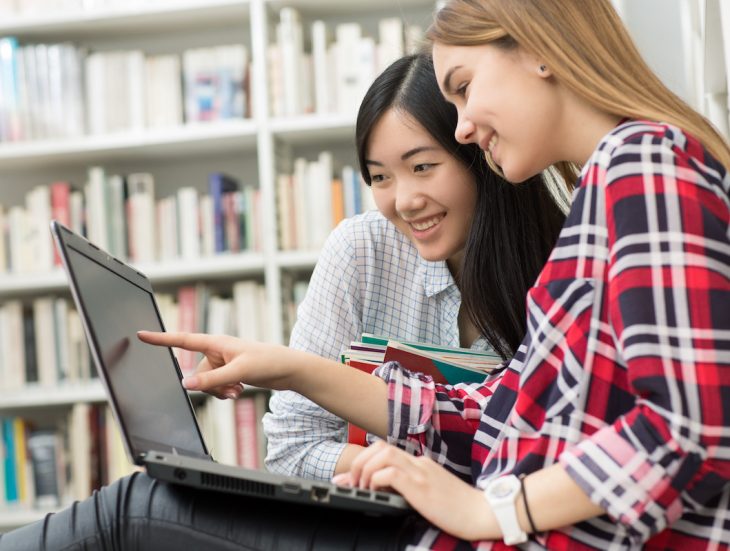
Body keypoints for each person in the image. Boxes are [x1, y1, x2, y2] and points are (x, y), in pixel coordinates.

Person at [2, 0, 728, 549]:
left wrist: (490, 508)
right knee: (141, 507)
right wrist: (291, 369)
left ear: (538, 49)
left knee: (134, 512)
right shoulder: (606, 190)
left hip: (492, 534)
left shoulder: (643, 162)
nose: (467, 124)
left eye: (466, 87)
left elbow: (692, 429)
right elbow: (490, 418)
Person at [264, 52, 564, 479]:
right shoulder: (362, 250)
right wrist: (402, 476)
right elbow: (290, 449)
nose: (404, 201)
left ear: (481, 153)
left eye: (422, 167)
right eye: (381, 178)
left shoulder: (560, 262)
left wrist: (417, 475)